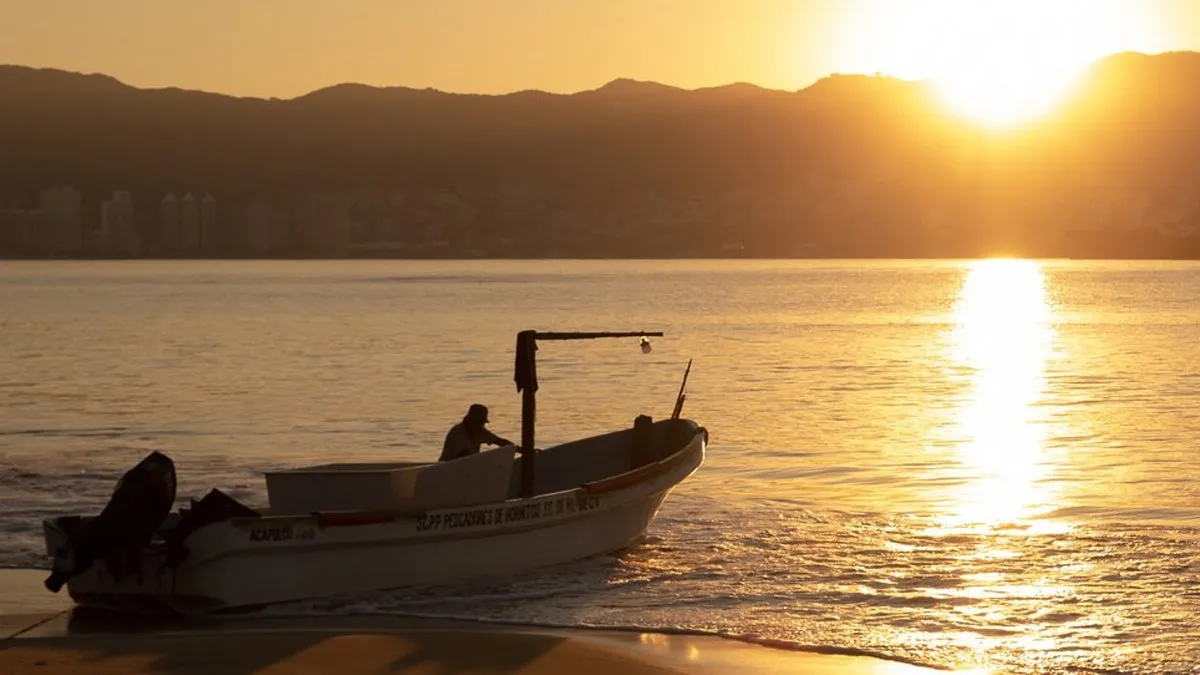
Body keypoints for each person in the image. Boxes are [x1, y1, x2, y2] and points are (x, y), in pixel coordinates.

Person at [438, 404, 514, 462]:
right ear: (471, 420)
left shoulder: (480, 431)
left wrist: (518, 449)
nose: (481, 425)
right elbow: (463, 458)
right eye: (479, 422)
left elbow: (500, 441)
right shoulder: (458, 433)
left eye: (482, 423)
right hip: (448, 470)